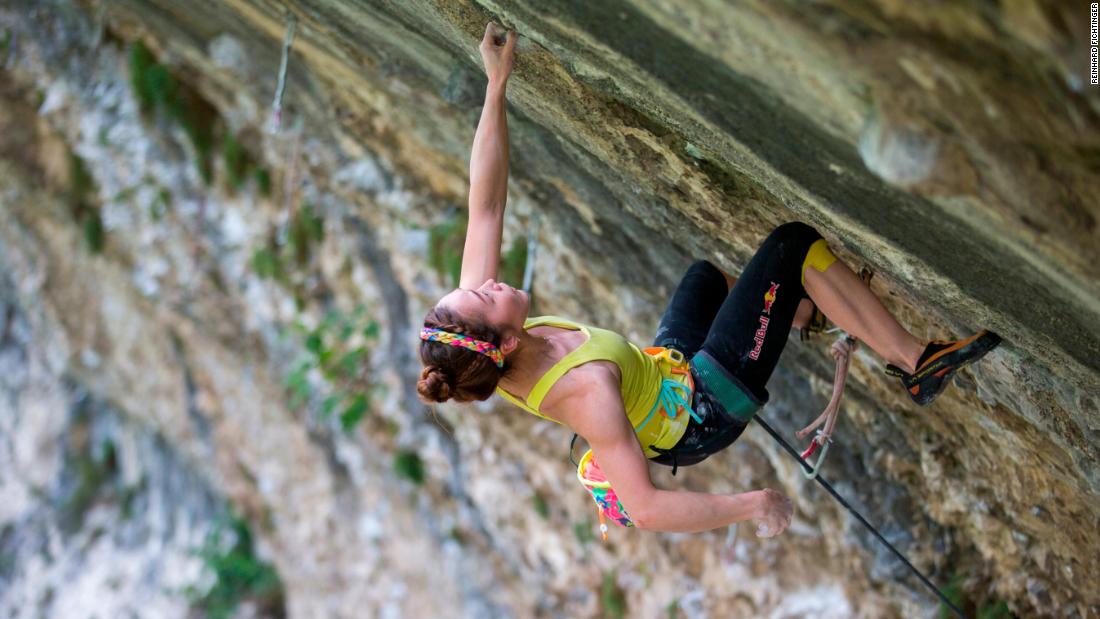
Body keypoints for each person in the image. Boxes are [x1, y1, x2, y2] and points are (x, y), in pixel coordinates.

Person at [417, 23, 1001, 537]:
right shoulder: (587, 390)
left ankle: (813, 309)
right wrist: (756, 504)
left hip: (663, 372)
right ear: (507, 342)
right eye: (483, 294)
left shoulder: (489, 342)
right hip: (701, 412)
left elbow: (486, 205)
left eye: (477, 284)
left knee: (708, 278)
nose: (488, 282)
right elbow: (644, 509)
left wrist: (496, 85)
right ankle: (916, 363)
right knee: (791, 245)